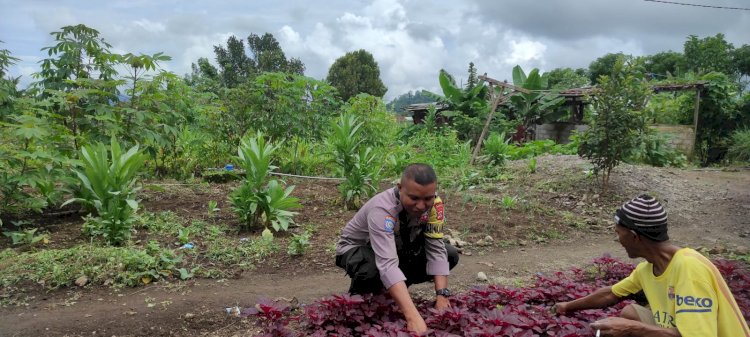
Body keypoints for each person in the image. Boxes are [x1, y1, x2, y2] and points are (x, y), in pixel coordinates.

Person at [551, 194, 749, 337]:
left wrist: (632, 329)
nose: (617, 239)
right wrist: (566, 306)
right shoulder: (648, 268)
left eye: (618, 233)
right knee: (631, 313)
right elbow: (610, 294)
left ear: (635, 237)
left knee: (630, 324)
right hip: (681, 327)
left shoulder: (689, 269)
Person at [335, 163, 459, 334]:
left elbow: (436, 249)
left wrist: (442, 296)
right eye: (414, 198)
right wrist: (412, 317)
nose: (421, 205)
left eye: (427, 198)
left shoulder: (435, 206)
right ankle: (357, 301)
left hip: (396, 247)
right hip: (357, 249)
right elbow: (387, 264)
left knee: (449, 254)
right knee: (371, 269)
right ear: (400, 188)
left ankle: (395, 293)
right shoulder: (383, 209)